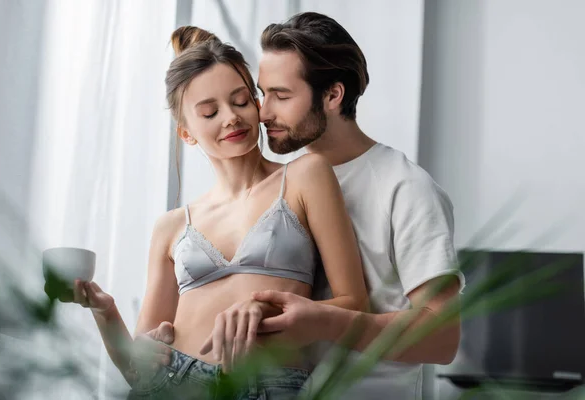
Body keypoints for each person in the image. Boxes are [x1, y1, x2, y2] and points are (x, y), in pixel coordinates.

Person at [148, 12, 466, 399]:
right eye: (261, 95)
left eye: (281, 96)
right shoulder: (288, 185)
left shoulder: (405, 188)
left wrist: (323, 321)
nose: (262, 113)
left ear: (332, 95)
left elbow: (443, 340)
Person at [60, 26, 369, 400]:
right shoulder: (172, 226)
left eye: (241, 101)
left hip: (268, 385)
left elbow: (354, 304)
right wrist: (106, 312)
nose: (231, 118)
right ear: (186, 133)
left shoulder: (306, 175)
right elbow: (139, 370)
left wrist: (265, 307)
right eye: (209, 112)